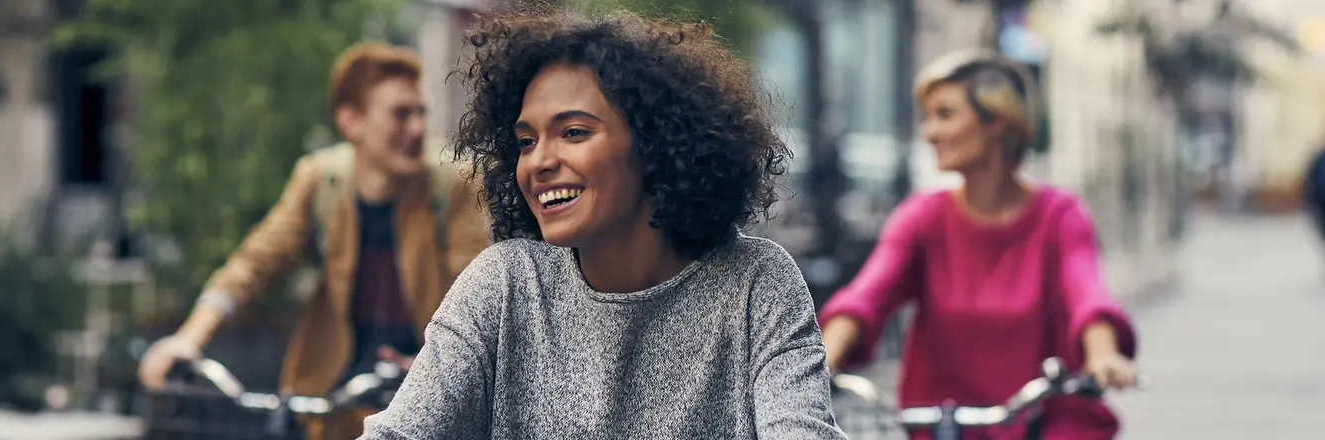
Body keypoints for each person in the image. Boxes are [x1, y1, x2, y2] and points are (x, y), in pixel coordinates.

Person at [358, 10, 846, 440]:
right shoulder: (507, 284)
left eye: (573, 132)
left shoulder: (755, 283)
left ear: (655, 145)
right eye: (526, 141)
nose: (539, 162)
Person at [135, 43, 492, 439]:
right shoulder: (321, 180)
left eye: (419, 113)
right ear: (350, 121)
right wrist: (189, 339)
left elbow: (474, 291)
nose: (417, 128)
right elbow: (256, 262)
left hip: (422, 394)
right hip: (332, 395)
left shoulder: (450, 185)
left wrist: (440, 364)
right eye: (400, 114)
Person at [818, 50, 1140, 440]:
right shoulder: (923, 217)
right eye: (928, 116)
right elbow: (867, 296)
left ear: (997, 122)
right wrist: (823, 361)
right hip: (941, 426)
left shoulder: (1060, 216)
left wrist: (1102, 354)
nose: (929, 132)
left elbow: (1087, 294)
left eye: (945, 114)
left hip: (1045, 424)